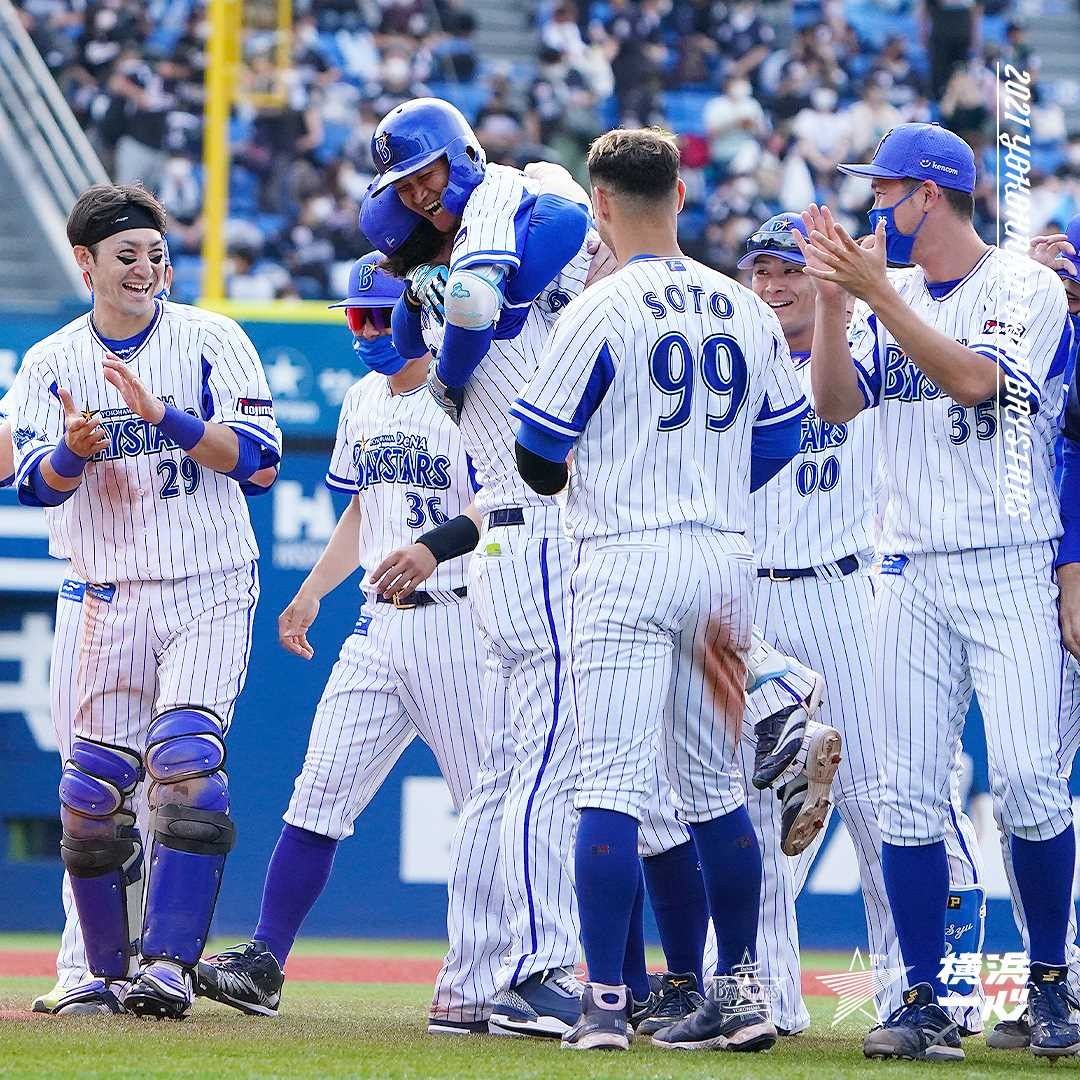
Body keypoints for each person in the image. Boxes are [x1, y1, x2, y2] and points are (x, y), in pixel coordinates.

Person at [512, 127, 809, 1052]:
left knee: (608, 784)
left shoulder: (596, 308)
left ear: (599, 204)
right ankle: (743, 989)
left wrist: (599, 476)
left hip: (626, 556)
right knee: (716, 789)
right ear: (679, 195)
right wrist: (714, 486)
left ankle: (606, 1001)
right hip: (722, 563)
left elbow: (536, 455)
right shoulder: (743, 305)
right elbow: (783, 435)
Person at [798, 122, 1080, 1061]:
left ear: (931, 193)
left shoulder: (1022, 286)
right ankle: (922, 998)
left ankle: (1050, 983)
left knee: (1031, 781)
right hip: (910, 567)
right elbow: (836, 403)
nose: (873, 206)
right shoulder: (891, 293)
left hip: (1009, 559)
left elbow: (973, 382)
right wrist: (836, 304)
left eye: (886, 190)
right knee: (908, 794)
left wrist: (877, 293)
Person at [3, 183, 280, 1018]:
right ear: (85, 263)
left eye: (156, 253)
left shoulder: (210, 337)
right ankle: (101, 972)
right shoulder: (52, 359)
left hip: (206, 579)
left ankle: (167, 965)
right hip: (108, 589)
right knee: (92, 793)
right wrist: (71, 455)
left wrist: (166, 417)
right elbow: (31, 485)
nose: (145, 268)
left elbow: (260, 463)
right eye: (126, 255)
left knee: (186, 764)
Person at [196, 253, 493, 1024]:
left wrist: (436, 548)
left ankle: (493, 973)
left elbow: (503, 501)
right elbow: (363, 508)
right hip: (376, 624)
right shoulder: (361, 399)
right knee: (318, 790)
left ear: (417, 312)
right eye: (355, 317)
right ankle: (265, 961)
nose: (362, 330)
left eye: (375, 315)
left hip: (461, 616)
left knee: (489, 807)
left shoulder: (467, 391)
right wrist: (310, 592)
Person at [715, 211, 985, 1036]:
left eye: (789, 268)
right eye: (761, 271)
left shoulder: (865, 340)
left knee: (885, 798)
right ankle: (768, 996)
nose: (773, 285)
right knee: (753, 807)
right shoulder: (732, 358)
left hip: (844, 590)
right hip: (752, 602)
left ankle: (929, 990)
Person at [368, 98, 596, 1038]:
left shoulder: (458, 246)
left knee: (505, 774)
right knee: (545, 764)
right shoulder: (501, 197)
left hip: (503, 535)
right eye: (405, 184)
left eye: (424, 172)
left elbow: (540, 253)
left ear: (456, 154)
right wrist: (454, 364)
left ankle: (469, 978)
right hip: (537, 526)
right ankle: (535, 971)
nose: (420, 191)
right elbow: (479, 297)